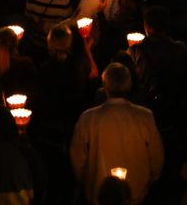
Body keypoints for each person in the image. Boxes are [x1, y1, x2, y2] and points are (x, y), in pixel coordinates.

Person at [70, 63, 164, 205]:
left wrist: (86, 182)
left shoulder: (88, 118)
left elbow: (77, 158)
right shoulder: (145, 117)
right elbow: (156, 156)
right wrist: (149, 181)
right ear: (129, 84)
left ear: (104, 85)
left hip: (98, 192)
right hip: (135, 191)